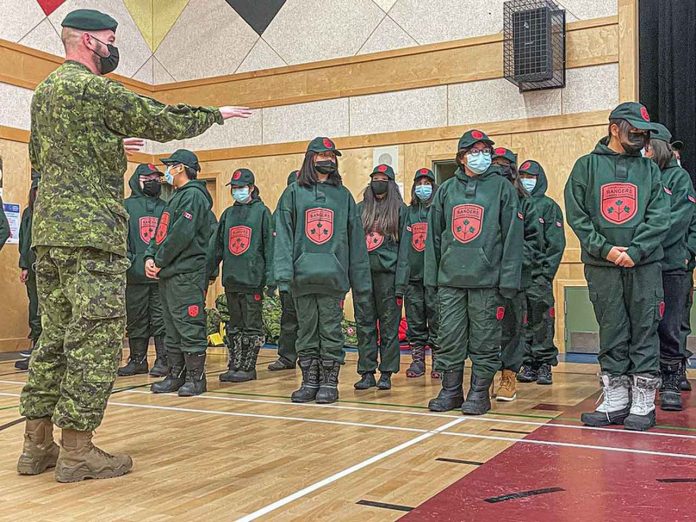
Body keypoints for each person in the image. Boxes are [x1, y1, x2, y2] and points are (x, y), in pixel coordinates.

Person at [17, 8, 252, 483]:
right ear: (88, 41)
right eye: (109, 39)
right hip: (91, 238)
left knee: (53, 341)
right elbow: (157, 118)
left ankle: (36, 446)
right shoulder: (94, 88)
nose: (113, 48)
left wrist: (107, 148)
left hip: (50, 238)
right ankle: (77, 451)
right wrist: (214, 115)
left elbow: (42, 158)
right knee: (95, 341)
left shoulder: (44, 93)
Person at [565, 102, 669, 431]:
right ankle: (616, 399)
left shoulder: (650, 170)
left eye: (643, 133)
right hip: (603, 266)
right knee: (611, 330)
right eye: (634, 131)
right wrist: (605, 250)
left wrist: (636, 251)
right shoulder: (586, 167)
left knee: (644, 329)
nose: (640, 137)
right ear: (614, 128)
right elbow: (577, 215)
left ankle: (643, 402)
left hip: (643, 265)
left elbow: (660, 216)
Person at [425, 130, 523, 415]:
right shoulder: (446, 190)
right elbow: (433, 237)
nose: (481, 156)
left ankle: (479, 393)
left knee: (485, 339)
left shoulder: (502, 188)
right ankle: (451, 391)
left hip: (487, 281)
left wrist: (508, 281)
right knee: (449, 337)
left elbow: (513, 237)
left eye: (485, 151)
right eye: (474, 151)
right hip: (450, 281)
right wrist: (431, 279)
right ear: (462, 157)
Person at [274, 137, 372, 404]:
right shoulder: (293, 193)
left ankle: (329, 382)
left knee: (331, 330)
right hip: (301, 277)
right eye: (323, 155)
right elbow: (283, 236)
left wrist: (361, 281)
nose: (328, 159)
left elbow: (356, 241)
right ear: (311, 158)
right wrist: (283, 275)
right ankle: (309, 382)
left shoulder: (343, 196)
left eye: (332, 155)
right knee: (306, 331)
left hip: (333, 277)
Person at [145, 150, 213, 397]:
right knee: (171, 326)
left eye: (170, 166)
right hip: (169, 274)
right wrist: (149, 256)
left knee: (188, 324)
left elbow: (180, 235)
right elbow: (161, 233)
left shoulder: (193, 196)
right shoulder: (175, 197)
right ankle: (176, 374)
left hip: (186, 274)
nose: (167, 171)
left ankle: (196, 378)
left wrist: (160, 260)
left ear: (180, 168)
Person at [644, 124, 694, 411]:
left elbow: (678, 221)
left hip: (671, 262)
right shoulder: (643, 175)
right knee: (645, 324)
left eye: (649, 146)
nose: (644, 151)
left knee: (671, 323)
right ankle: (647, 377)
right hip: (643, 263)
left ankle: (672, 378)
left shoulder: (678, 178)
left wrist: (646, 241)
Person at [209, 168, 274, 383]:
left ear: (251, 188)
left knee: (251, 325)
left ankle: (248, 367)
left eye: (241, 187)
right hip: (232, 279)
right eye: (234, 188)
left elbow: (270, 247)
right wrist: (210, 272)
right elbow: (216, 247)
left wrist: (271, 278)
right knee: (234, 325)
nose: (237, 191)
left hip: (253, 280)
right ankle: (235, 364)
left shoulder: (262, 212)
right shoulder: (228, 214)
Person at [490, 148, 542, 402]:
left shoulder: (525, 201)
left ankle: (508, 375)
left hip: (515, 278)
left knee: (512, 329)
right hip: (485, 276)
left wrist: (516, 261)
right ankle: (485, 375)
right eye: (496, 163)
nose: (500, 168)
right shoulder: (483, 197)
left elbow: (534, 241)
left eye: (505, 164)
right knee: (486, 329)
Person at [354, 164, 405, 391]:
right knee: (364, 324)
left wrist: (401, 282)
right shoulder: (360, 209)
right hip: (363, 275)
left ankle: (386, 372)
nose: (378, 182)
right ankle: (366, 372)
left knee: (389, 326)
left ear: (390, 183)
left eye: (383, 179)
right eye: (375, 178)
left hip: (389, 277)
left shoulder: (400, 211)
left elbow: (405, 251)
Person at [516, 160, 566, 385]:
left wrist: (546, 274)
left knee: (543, 319)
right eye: (523, 176)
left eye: (531, 177)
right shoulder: (514, 204)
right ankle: (527, 362)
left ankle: (544, 363)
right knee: (521, 321)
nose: (527, 180)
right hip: (518, 277)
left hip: (539, 277)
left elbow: (556, 244)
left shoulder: (549, 206)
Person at [118, 163, 168, 378]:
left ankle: (163, 359)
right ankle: (137, 359)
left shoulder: (166, 206)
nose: (153, 182)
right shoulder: (125, 206)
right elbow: (120, 239)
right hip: (134, 276)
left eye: (156, 178)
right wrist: (130, 262)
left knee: (161, 319)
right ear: (137, 180)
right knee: (136, 319)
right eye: (147, 179)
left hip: (160, 275)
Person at [396, 168, 440, 379]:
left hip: (435, 279)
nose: (423, 187)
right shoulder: (408, 212)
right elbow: (403, 246)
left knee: (437, 321)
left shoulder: (439, 210)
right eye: (419, 183)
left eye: (427, 183)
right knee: (415, 322)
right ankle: (417, 361)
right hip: (412, 278)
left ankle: (439, 362)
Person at [268, 171, 300, 371]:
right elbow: (274, 248)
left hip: (311, 276)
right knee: (288, 318)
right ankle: (287, 356)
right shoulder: (278, 215)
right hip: (287, 277)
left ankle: (317, 360)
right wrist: (273, 280)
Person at [15, 172, 42, 372]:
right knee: (34, 307)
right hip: (32, 267)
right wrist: (24, 265)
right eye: (36, 190)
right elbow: (24, 240)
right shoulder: (28, 213)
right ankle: (36, 344)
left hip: (49, 267)